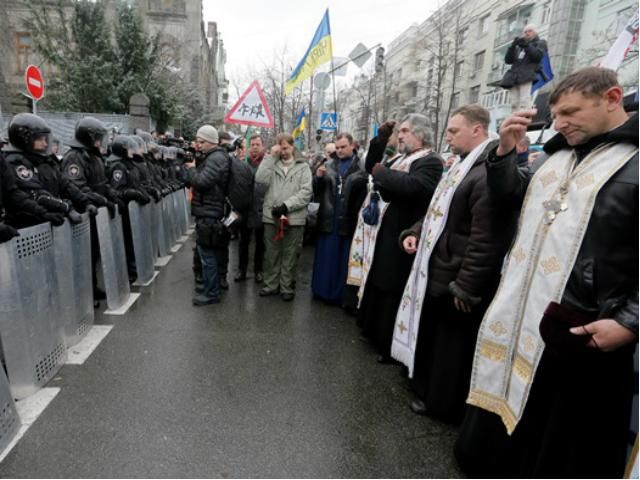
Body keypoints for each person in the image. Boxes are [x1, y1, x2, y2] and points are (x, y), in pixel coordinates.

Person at [455, 67, 638, 478]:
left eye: (570, 112)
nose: (558, 124)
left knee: (564, 445)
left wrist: (630, 322)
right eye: (555, 115)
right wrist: (504, 154)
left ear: (611, 98)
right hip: (528, 312)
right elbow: (509, 199)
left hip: (587, 326)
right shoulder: (557, 156)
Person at [394, 105, 515, 424]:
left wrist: (467, 285)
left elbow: (485, 237)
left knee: (451, 348)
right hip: (441, 269)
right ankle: (428, 389)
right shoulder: (462, 166)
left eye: (453, 131)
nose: (447, 137)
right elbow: (440, 213)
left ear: (477, 130)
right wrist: (415, 231)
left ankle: (442, 404)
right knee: (438, 340)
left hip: (456, 276)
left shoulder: (484, 172)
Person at [348, 114, 443, 362]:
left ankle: (387, 344)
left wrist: (382, 174)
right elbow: (372, 166)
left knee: (392, 285)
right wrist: (380, 139)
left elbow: (415, 186)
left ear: (420, 134)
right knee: (379, 279)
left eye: (405, 131)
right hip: (385, 229)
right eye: (399, 132)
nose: (400, 136)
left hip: (404, 229)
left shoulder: (431, 161)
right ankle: (371, 330)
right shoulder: (402, 157)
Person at [2, 113, 86, 229]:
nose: (45, 143)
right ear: (25, 139)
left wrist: (85, 200)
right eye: (40, 139)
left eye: (45, 139)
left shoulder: (45, 161)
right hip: (26, 227)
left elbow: (65, 184)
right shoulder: (16, 162)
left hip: (46, 223)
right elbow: (34, 193)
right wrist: (65, 207)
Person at [311, 132, 367, 305]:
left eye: (343, 147)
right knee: (326, 257)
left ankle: (340, 295)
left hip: (348, 219)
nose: (340, 150)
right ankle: (321, 290)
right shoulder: (328, 164)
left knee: (343, 259)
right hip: (329, 217)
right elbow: (316, 191)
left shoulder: (362, 167)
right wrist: (318, 178)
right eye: (338, 147)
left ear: (352, 146)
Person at [255, 133, 312, 301]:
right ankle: (271, 284)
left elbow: (306, 192)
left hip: (293, 218)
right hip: (271, 216)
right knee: (271, 253)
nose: (283, 151)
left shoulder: (303, 166)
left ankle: (286, 286)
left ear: (293, 147)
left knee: (290, 253)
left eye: (286, 147)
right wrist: (270, 158)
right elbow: (260, 180)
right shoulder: (272, 163)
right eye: (280, 148)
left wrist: (286, 206)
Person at [183, 125, 230, 306]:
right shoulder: (213, 157)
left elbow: (202, 183)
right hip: (209, 211)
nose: (197, 145)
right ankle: (213, 287)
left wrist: (193, 168)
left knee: (207, 254)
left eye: (201, 142)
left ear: (211, 142)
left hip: (210, 213)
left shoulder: (215, 159)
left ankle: (212, 293)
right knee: (210, 252)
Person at [106, 135, 151, 282]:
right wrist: (131, 194)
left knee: (132, 240)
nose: (133, 150)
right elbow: (116, 189)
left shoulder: (129, 164)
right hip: (123, 212)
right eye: (130, 148)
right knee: (125, 241)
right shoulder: (118, 166)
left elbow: (136, 184)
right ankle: (127, 272)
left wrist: (141, 193)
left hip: (131, 212)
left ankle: (133, 267)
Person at [235, 134, 266, 283]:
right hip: (245, 209)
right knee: (243, 241)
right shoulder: (241, 164)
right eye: (252, 144)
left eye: (257, 144)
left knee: (261, 242)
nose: (254, 147)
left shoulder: (267, 164)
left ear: (262, 147)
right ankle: (242, 270)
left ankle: (259, 270)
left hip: (262, 208)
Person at [501, 25, 548, 111]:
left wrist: (527, 46)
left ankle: (523, 120)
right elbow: (508, 60)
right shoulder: (520, 46)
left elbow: (537, 56)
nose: (527, 33)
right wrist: (512, 47)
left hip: (526, 75)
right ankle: (515, 119)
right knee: (514, 103)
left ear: (535, 32)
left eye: (529, 31)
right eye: (525, 32)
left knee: (524, 101)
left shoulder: (541, 42)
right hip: (514, 77)